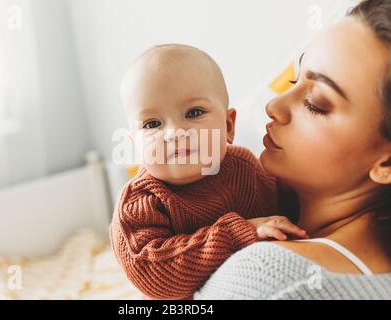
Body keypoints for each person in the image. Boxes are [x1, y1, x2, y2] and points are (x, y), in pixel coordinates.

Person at [195, 0, 391, 299]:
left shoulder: (265, 278)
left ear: (387, 163)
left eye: (316, 103)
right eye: (293, 79)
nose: (273, 106)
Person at [109, 44, 307, 300]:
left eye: (194, 113)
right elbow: (154, 275)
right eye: (152, 124)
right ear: (135, 145)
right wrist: (236, 233)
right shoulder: (141, 203)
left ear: (227, 126)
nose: (174, 133)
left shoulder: (246, 167)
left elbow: (294, 208)